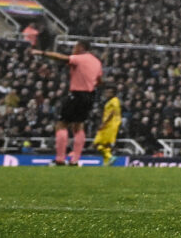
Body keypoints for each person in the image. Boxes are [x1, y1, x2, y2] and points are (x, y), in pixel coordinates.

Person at [31, 37, 103, 166]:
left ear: (81, 47)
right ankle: (75, 160)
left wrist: (42, 53)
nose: (73, 49)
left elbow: (62, 58)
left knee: (61, 124)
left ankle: (60, 159)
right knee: (79, 126)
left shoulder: (80, 58)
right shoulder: (97, 62)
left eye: (75, 46)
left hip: (77, 93)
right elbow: (99, 80)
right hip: (90, 96)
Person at [93, 92, 123, 166]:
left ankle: (110, 157)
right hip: (108, 125)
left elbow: (113, 112)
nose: (106, 93)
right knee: (105, 145)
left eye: (109, 91)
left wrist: (104, 124)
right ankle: (106, 163)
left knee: (96, 144)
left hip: (109, 126)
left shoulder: (114, 100)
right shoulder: (110, 101)